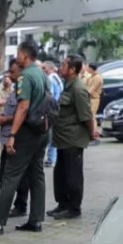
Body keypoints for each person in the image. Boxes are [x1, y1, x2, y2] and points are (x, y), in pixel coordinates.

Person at [0, 40, 48, 235]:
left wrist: (12, 135)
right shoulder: (42, 73)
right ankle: (36, 220)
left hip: (26, 132)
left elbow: (23, 107)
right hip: (42, 130)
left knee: (10, 175)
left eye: (18, 53)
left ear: (25, 55)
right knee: (37, 175)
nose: (16, 57)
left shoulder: (26, 76)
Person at [49, 54, 95, 220]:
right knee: (60, 173)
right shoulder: (67, 85)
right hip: (62, 139)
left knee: (72, 174)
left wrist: (92, 132)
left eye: (63, 65)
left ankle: (74, 207)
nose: (60, 68)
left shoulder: (78, 88)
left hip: (73, 139)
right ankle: (62, 204)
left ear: (72, 69)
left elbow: (86, 115)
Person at [0, 59, 29, 218]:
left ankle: (19, 205)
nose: (9, 74)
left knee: (17, 176)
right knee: (3, 173)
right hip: (6, 136)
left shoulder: (24, 88)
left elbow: (23, 112)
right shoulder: (15, 88)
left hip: (16, 137)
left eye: (12, 71)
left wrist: (6, 119)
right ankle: (3, 202)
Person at [43, 62, 63, 167]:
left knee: (49, 136)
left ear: (50, 68)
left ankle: (50, 159)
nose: (43, 69)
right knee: (53, 136)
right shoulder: (57, 77)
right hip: (57, 108)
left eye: (44, 68)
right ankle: (52, 158)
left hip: (51, 110)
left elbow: (49, 95)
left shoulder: (50, 79)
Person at [85, 62, 103, 134]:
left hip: (94, 99)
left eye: (88, 68)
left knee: (92, 116)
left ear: (91, 68)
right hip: (90, 99)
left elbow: (91, 90)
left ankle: (94, 132)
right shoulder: (91, 77)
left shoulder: (97, 78)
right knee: (90, 116)